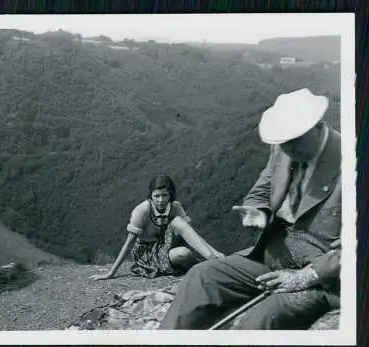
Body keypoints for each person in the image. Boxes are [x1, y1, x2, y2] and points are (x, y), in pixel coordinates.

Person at [159, 88, 342, 330]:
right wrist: (260, 210)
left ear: (318, 126)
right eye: (282, 143)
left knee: (260, 321)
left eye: (294, 141)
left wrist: (302, 277)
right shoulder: (283, 149)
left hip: (321, 276)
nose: (288, 149)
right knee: (201, 276)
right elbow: (262, 190)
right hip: (275, 255)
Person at [90, 175, 225, 280]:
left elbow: (192, 234)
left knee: (178, 221)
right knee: (183, 254)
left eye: (164, 195)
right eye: (157, 196)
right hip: (148, 254)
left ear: (170, 195)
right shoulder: (142, 210)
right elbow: (129, 243)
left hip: (167, 245)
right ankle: (206, 268)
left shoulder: (175, 206)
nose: (161, 200)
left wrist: (215, 252)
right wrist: (110, 273)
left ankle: (213, 260)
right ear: (151, 195)